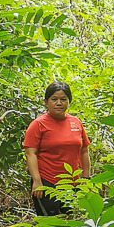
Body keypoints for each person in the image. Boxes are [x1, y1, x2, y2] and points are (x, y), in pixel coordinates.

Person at [24, 81, 90, 216]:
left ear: (69, 101)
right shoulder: (38, 124)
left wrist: (86, 178)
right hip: (47, 181)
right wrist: (37, 181)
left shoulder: (76, 123)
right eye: (54, 99)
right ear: (46, 102)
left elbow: (84, 151)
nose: (58, 103)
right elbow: (30, 153)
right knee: (47, 225)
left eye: (63, 99)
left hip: (72, 182)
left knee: (72, 221)